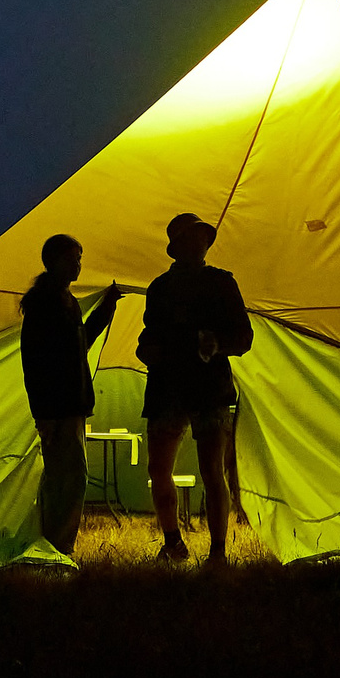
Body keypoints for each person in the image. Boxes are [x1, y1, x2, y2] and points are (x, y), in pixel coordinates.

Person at [137, 212, 254, 564]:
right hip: (175, 386)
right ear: (179, 247)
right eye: (192, 238)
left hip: (204, 388)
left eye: (201, 237)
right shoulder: (160, 288)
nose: (198, 244)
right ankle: (174, 542)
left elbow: (243, 337)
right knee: (160, 469)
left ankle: (216, 552)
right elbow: (148, 336)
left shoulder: (221, 283)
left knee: (211, 471)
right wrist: (147, 351)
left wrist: (216, 344)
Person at [19, 235, 122, 556]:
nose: (77, 265)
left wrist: (107, 308)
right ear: (53, 261)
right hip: (57, 406)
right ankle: (58, 546)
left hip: (70, 404)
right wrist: (44, 415)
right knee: (69, 477)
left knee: (63, 476)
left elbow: (82, 343)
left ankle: (55, 542)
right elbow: (34, 360)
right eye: (72, 259)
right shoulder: (44, 303)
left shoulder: (66, 300)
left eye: (79, 258)